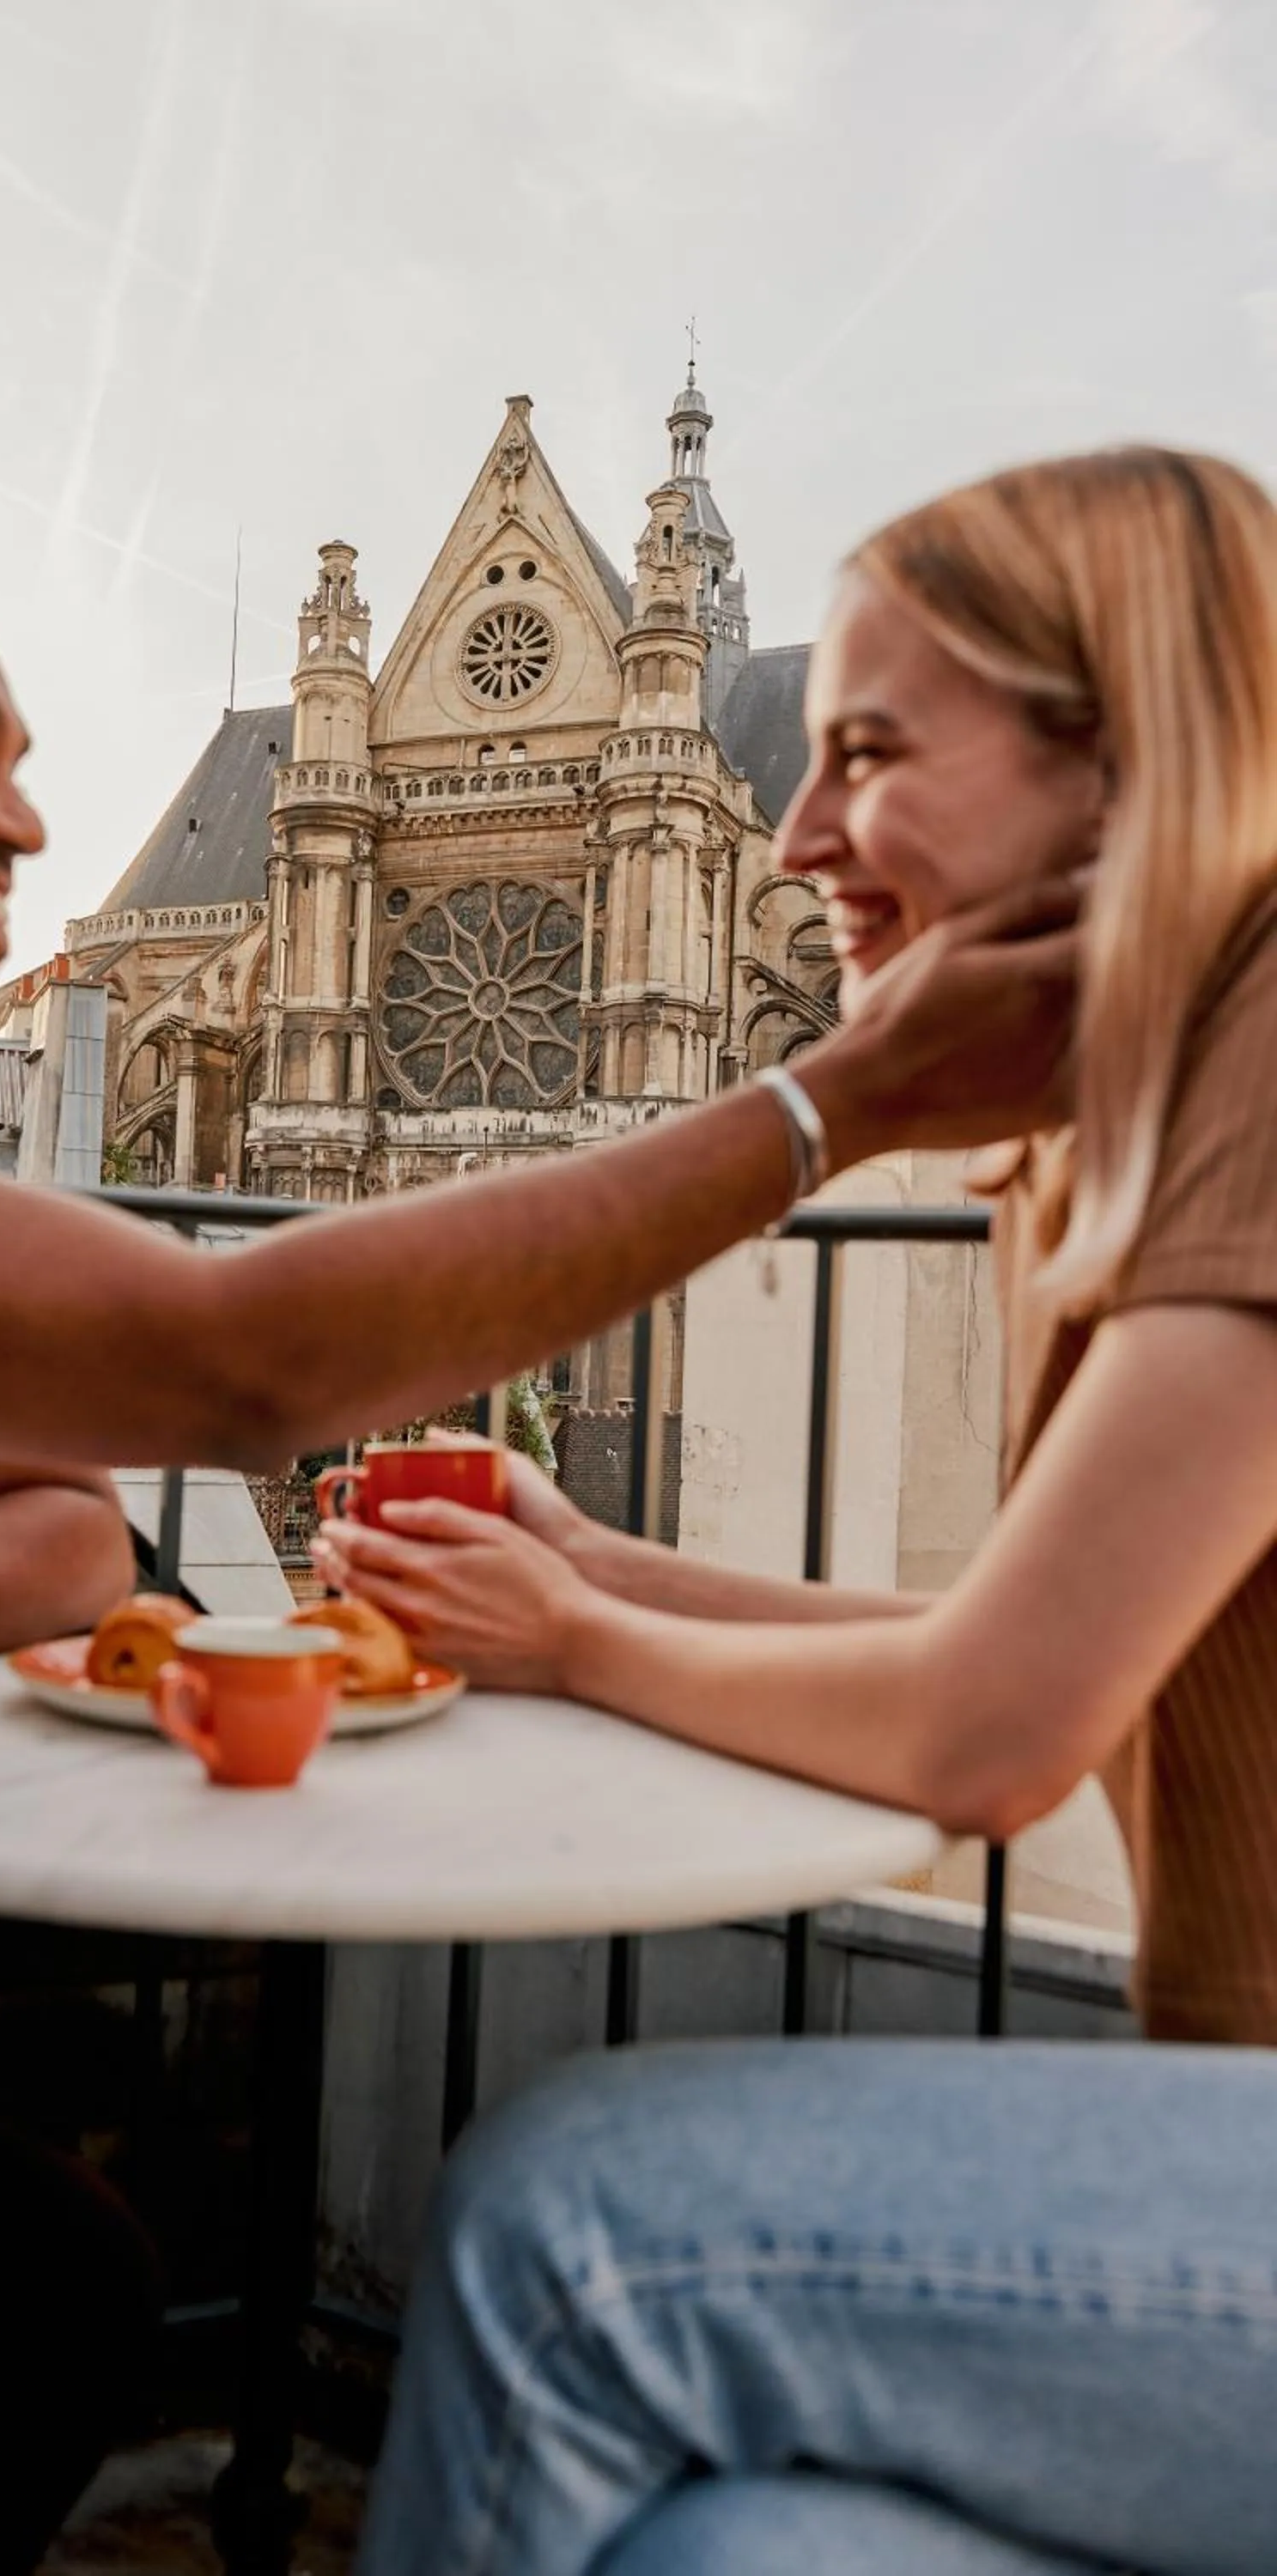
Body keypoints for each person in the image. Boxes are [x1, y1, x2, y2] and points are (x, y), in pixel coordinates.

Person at [0, 477, 1073, 2573]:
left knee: (45, 2286)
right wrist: (836, 1101)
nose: (19, 823)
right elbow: (227, 1370)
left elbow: (73, 1542)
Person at [333, 447, 1277, 2574]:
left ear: (1122, 751)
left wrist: (569, 1640)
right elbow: (1034, 1659)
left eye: (864, 751)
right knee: (725, 2544)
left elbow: (981, 1737)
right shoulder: (1131, 1114)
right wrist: (588, 1558)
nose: (793, 829)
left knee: (562, 2234)